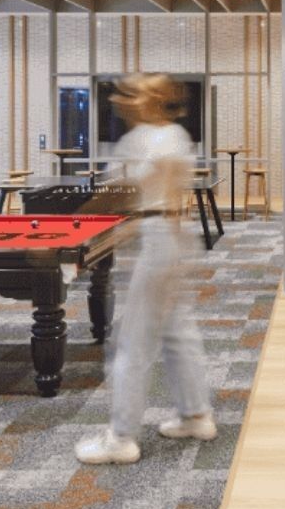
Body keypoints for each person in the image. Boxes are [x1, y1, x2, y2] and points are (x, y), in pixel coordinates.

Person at [75, 74, 215, 465]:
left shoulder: (150, 138)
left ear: (151, 100)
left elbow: (124, 191)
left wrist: (76, 218)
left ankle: (120, 438)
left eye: (130, 93)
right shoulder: (171, 134)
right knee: (176, 333)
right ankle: (196, 415)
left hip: (161, 238)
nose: (120, 99)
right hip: (171, 235)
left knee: (132, 341)